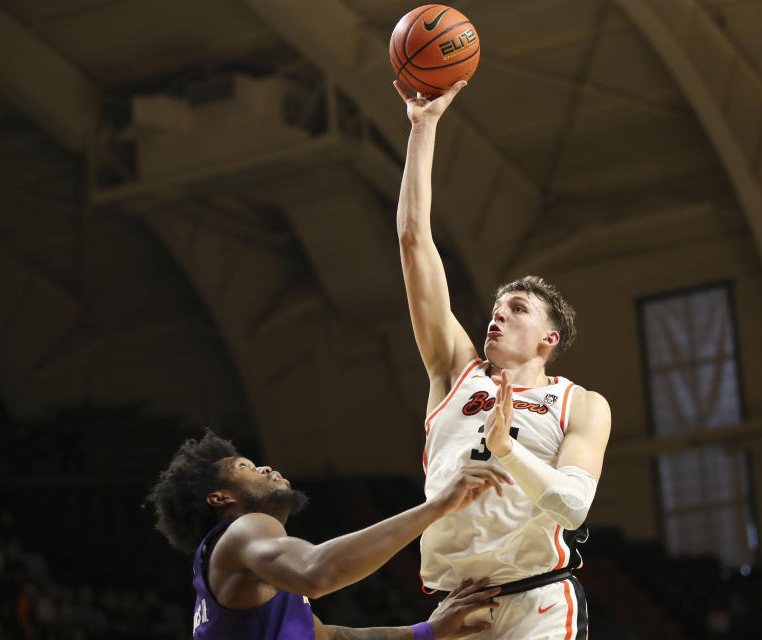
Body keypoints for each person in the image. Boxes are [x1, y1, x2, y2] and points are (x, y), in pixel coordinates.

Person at [393, 79, 613, 639]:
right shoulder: (453, 372)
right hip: (454, 604)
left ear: (551, 337)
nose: (497, 315)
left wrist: (506, 449)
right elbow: (415, 241)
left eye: (516, 309)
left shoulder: (581, 404)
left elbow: (572, 507)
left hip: (537, 598)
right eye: (494, 307)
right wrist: (424, 126)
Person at [146, 430, 513, 639]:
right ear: (221, 498)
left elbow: (331, 638)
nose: (265, 466)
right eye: (246, 467)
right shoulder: (244, 529)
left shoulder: (240, 573)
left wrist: (428, 632)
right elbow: (316, 573)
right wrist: (436, 507)